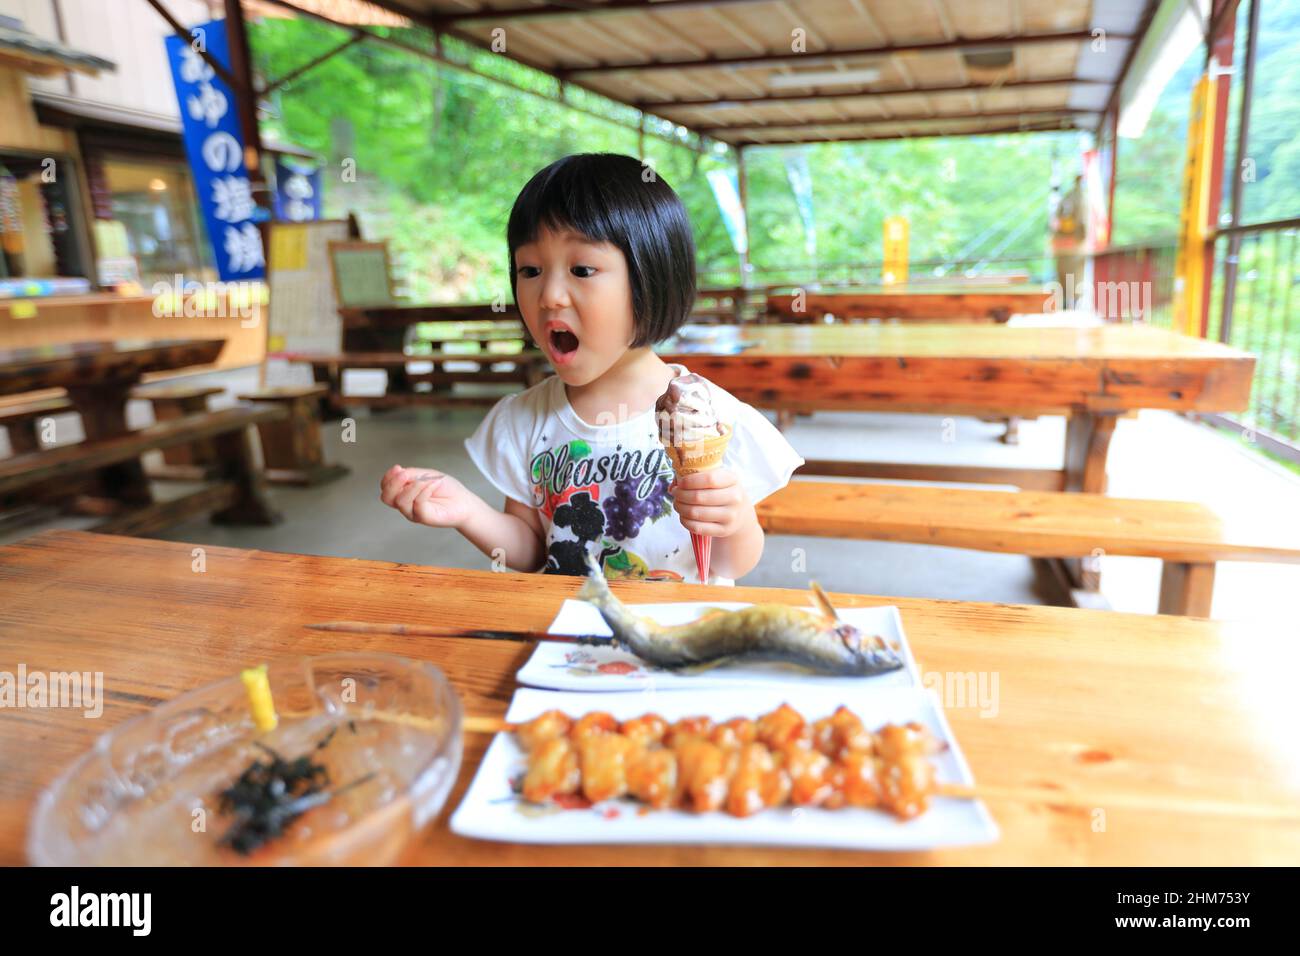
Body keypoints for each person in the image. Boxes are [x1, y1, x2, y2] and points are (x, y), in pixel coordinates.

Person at [379, 153, 803, 583]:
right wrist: (466, 510)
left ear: (653, 278)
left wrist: (734, 521)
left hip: (680, 634)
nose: (550, 296)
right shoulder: (523, 419)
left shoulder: (713, 417)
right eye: (530, 269)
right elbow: (528, 552)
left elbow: (731, 564)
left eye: (581, 269)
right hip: (569, 635)